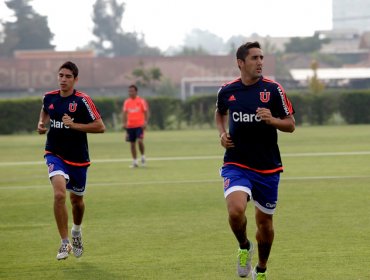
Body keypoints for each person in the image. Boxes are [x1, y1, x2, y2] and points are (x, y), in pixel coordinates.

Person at [215, 42, 295, 279]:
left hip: (268, 167)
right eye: (254, 58)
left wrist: (272, 120)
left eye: (261, 57)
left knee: (265, 225)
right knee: (236, 210)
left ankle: (261, 269)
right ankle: (243, 247)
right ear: (240, 63)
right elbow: (220, 112)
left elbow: (290, 124)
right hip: (236, 163)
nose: (260, 62)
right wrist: (221, 133)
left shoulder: (273, 90)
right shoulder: (227, 91)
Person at [37, 61, 105, 260]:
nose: (63, 80)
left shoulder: (83, 100)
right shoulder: (49, 97)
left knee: (77, 201)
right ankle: (64, 243)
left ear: (75, 79)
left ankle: (76, 231)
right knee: (59, 195)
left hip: (78, 158)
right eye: (61, 75)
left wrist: (74, 126)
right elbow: (45, 110)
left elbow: (100, 126)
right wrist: (41, 123)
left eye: (68, 76)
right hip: (54, 154)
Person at [122, 84, 149, 168]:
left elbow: (146, 112)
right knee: (132, 144)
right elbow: (124, 113)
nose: (130, 92)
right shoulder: (127, 102)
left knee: (140, 141)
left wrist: (145, 122)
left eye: (132, 91)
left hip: (139, 125)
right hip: (130, 126)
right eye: (129, 91)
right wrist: (124, 123)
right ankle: (135, 161)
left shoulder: (141, 101)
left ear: (136, 92)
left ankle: (143, 157)